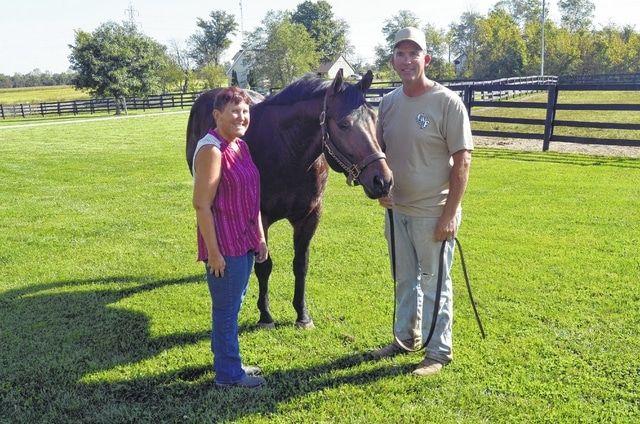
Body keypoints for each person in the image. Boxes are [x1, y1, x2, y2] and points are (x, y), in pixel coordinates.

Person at [370, 27, 474, 376]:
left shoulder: (447, 102)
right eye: (400, 53)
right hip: (396, 211)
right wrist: (381, 190)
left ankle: (438, 352)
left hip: (433, 212)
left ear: (426, 59)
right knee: (404, 279)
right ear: (393, 60)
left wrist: (449, 213)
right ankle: (405, 339)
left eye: (414, 53)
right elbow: (379, 153)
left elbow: (463, 162)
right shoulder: (388, 103)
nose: (407, 60)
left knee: (435, 283)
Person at [192, 87, 269, 389]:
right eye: (235, 111)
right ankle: (228, 374)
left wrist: (260, 236)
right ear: (217, 115)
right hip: (225, 246)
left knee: (232, 306)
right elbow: (202, 205)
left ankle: (229, 361)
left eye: (246, 111)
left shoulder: (240, 146)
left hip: (245, 240)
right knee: (226, 310)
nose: (242, 116)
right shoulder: (212, 150)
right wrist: (213, 252)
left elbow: (253, 197)